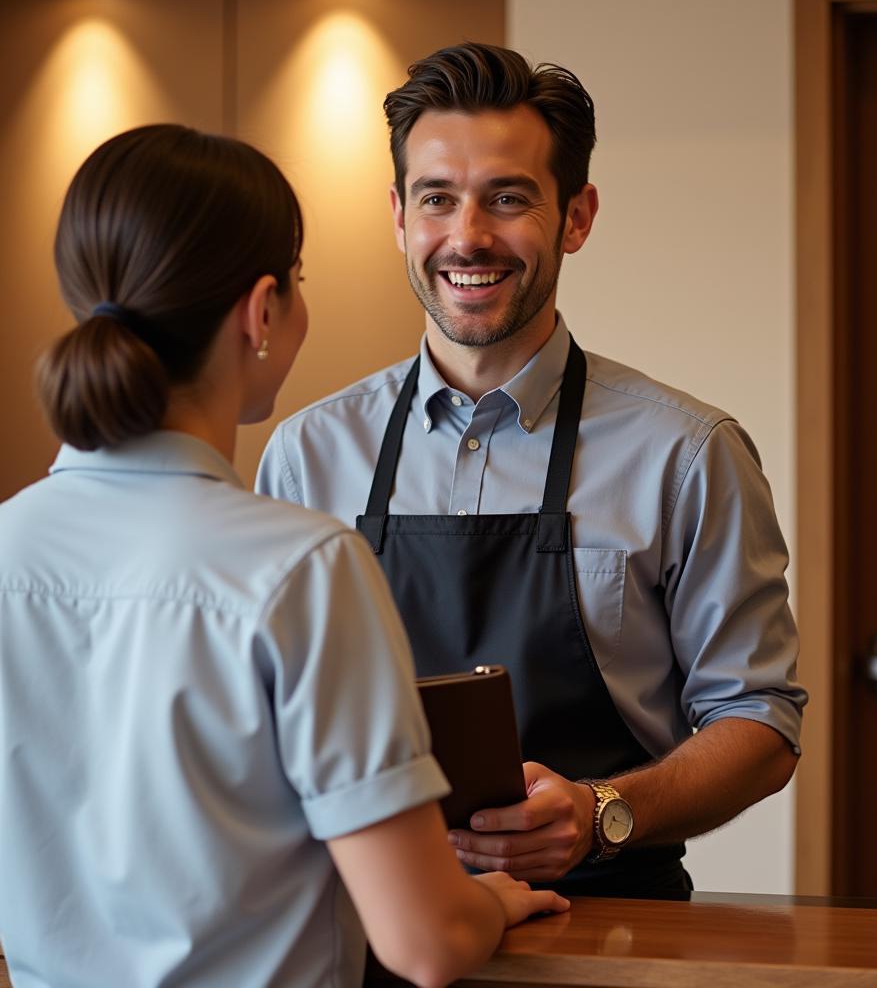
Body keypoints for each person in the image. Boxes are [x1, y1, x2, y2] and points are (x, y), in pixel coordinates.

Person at [0, 124, 567, 988]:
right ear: (262, 311)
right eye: (299, 281)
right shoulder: (300, 567)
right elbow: (425, 942)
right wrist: (489, 900)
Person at [257, 43, 807, 900]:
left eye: (508, 198)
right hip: (364, 928)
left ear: (578, 217)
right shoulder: (305, 454)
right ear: (400, 216)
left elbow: (761, 722)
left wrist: (600, 811)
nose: (467, 236)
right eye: (437, 199)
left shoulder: (688, 452)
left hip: (610, 930)